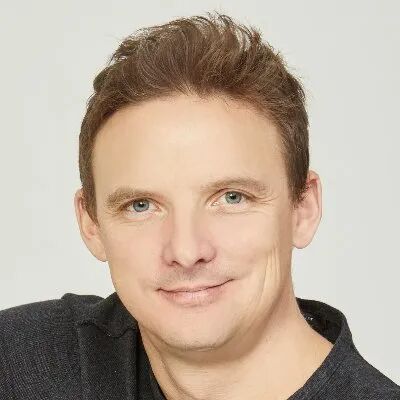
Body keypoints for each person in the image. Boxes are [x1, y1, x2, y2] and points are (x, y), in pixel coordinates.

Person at [1, 11, 399, 400]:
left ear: (303, 209)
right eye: (141, 205)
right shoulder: (21, 368)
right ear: (91, 224)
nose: (187, 251)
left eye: (231, 198)